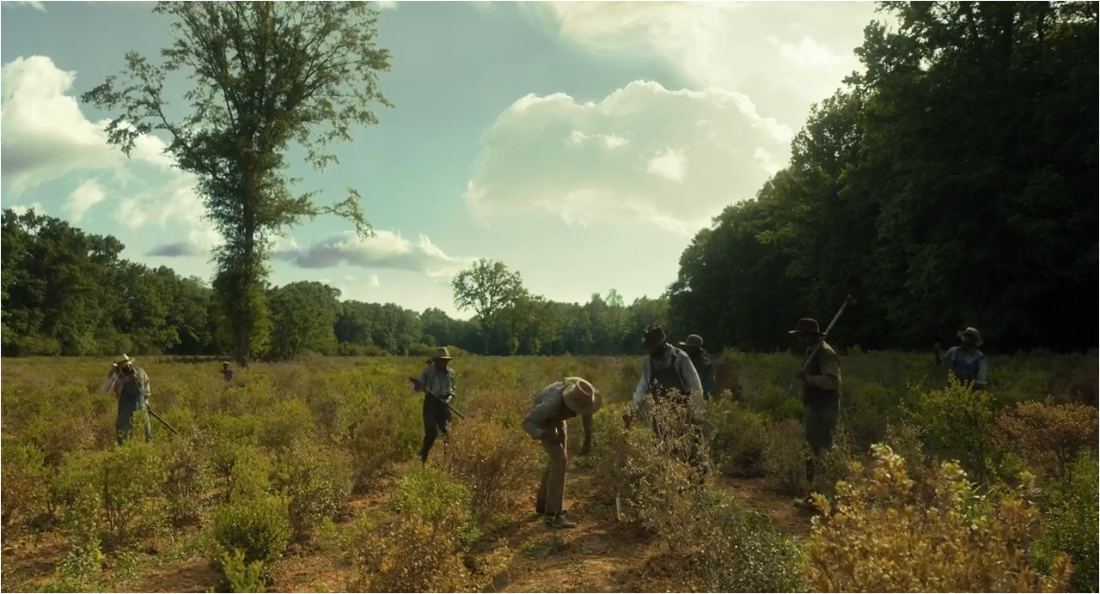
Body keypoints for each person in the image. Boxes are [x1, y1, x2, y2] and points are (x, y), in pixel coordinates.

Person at [522, 377, 601, 529]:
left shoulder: (584, 395)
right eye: (577, 409)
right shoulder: (551, 405)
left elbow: (587, 415)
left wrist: (588, 439)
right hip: (545, 421)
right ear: (570, 402)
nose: (578, 413)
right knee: (560, 459)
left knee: (557, 460)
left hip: (559, 417)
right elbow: (527, 422)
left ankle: (543, 503)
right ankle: (553, 515)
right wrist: (545, 434)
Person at [631, 325, 708, 473]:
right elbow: (643, 386)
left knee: (693, 453)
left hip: (685, 413)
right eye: (650, 349)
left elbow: (695, 387)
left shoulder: (680, 358)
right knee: (664, 452)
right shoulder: (649, 362)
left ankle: (699, 486)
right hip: (662, 414)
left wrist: (697, 415)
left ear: (662, 345)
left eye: (654, 348)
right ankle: (669, 484)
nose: (652, 352)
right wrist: (633, 408)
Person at [790, 318, 842, 503]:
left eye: (802, 335)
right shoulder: (811, 352)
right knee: (812, 453)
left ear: (812, 335)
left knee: (821, 454)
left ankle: (821, 498)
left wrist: (809, 379)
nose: (800, 339)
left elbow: (832, 382)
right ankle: (815, 496)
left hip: (824, 409)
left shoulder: (825, 353)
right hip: (814, 407)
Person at [410, 347, 457, 463]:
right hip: (430, 403)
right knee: (431, 432)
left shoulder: (451, 373)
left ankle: (448, 460)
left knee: (448, 432)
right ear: (436, 360)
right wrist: (419, 385)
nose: (444, 362)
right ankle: (422, 456)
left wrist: (448, 400)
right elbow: (417, 389)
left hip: (444, 404)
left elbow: (452, 391)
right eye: (441, 360)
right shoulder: (427, 372)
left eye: (445, 360)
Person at [103, 354, 153, 445]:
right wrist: (116, 375)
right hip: (125, 410)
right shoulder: (116, 376)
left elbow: (146, 388)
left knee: (146, 433)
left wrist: (146, 402)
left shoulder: (140, 372)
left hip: (141, 407)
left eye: (127, 363)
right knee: (124, 434)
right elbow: (105, 390)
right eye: (123, 364)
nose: (126, 366)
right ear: (118, 366)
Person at [679, 334, 716, 400]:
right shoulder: (682, 361)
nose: (687, 349)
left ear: (695, 349)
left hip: (700, 398)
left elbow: (709, 385)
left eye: (689, 347)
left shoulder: (705, 364)